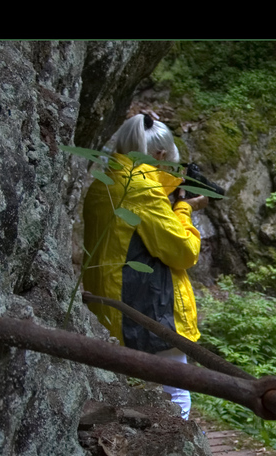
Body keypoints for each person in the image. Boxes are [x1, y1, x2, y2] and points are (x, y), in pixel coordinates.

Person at [82, 113, 208, 420]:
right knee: (176, 390)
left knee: (121, 395)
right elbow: (183, 251)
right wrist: (183, 207)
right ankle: (179, 450)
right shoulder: (143, 190)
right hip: (149, 308)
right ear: (160, 155)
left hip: (109, 308)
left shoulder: (103, 182)